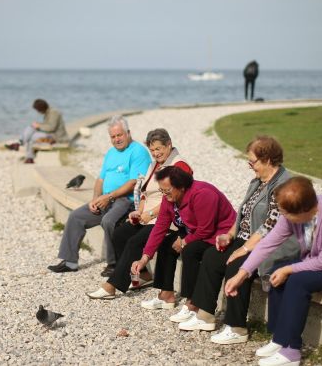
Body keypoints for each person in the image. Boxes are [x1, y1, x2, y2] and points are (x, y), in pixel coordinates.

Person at [225, 177, 322, 366]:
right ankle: (279, 339)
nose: (282, 216)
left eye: (285, 213)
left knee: (296, 280)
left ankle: (291, 351)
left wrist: (289, 269)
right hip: (318, 260)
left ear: (304, 211)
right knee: (276, 271)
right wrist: (241, 273)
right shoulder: (293, 213)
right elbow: (267, 243)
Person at [178, 136, 300, 341]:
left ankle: (237, 328)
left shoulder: (284, 184)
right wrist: (229, 235)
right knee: (211, 256)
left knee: (236, 265)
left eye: (253, 162)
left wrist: (243, 249)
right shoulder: (258, 181)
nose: (250, 166)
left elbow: (270, 226)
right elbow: (243, 213)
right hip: (246, 239)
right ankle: (205, 315)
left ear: (268, 159)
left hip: (270, 245)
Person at [86, 128, 193, 299]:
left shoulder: (180, 166)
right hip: (148, 216)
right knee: (120, 233)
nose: (155, 153)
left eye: (159, 149)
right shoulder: (155, 164)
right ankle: (142, 274)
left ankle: (112, 285)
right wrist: (139, 211)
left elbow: (175, 199)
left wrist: (150, 214)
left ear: (169, 145)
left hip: (168, 219)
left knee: (135, 242)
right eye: (152, 150)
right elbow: (145, 192)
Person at [48, 115, 151, 274]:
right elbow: (100, 180)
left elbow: (133, 183)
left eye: (120, 135)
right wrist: (95, 199)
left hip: (127, 200)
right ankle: (70, 262)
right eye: (113, 136)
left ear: (128, 133)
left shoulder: (138, 152)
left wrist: (109, 197)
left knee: (108, 220)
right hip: (106, 198)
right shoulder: (111, 153)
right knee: (76, 216)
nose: (117, 139)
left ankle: (114, 263)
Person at [130, 166, 237, 315]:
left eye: (167, 190)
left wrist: (185, 241)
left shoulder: (202, 194)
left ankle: (192, 302)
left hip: (219, 234)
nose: (164, 194)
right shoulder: (169, 198)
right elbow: (160, 227)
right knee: (167, 243)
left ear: (181, 187)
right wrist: (144, 258)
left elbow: (206, 229)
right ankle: (166, 294)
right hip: (194, 230)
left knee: (190, 250)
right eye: (162, 190)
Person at [5, 98, 69, 164]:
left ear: (41, 108)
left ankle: (28, 155)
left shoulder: (54, 112)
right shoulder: (49, 112)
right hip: (51, 134)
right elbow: (48, 126)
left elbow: (51, 128)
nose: (38, 112)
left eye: (38, 110)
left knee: (33, 136)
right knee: (30, 128)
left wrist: (39, 126)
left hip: (57, 137)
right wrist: (37, 125)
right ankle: (22, 147)